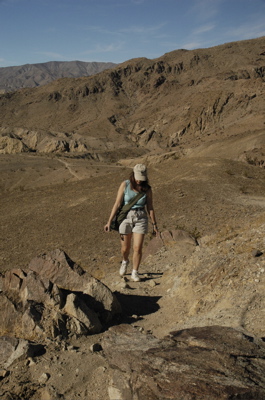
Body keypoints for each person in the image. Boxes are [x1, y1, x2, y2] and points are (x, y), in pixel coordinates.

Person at [104, 164, 159, 281]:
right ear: (133, 174)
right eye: (138, 177)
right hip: (126, 217)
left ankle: (135, 271)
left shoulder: (147, 189)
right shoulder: (125, 185)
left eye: (142, 178)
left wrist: (154, 225)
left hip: (141, 218)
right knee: (125, 248)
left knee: (137, 247)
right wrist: (109, 222)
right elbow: (117, 204)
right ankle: (125, 261)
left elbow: (150, 207)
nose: (139, 180)